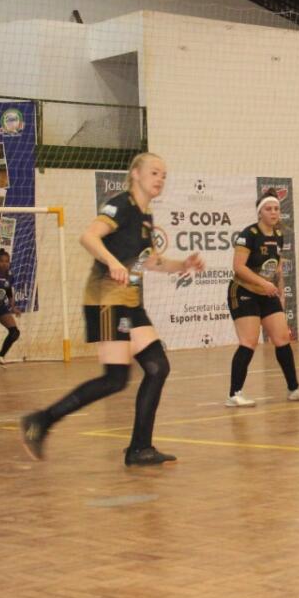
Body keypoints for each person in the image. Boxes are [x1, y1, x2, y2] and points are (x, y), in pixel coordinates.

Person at [19, 153, 206, 465]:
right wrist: (113, 262)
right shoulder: (121, 205)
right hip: (106, 301)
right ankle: (41, 421)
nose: (160, 179)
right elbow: (88, 236)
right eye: (154, 172)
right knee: (115, 379)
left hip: (130, 303)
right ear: (135, 174)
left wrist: (182, 265)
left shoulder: (145, 216)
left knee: (157, 368)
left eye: (164, 175)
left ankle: (140, 448)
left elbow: (151, 261)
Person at [225, 190, 299, 407]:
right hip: (244, 291)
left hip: (267, 292)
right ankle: (234, 394)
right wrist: (263, 283)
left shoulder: (278, 235)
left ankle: (294, 389)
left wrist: (280, 292)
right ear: (260, 212)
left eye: (276, 208)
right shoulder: (249, 234)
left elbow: (278, 267)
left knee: (282, 338)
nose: (274, 212)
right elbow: (238, 267)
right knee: (249, 342)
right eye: (268, 209)